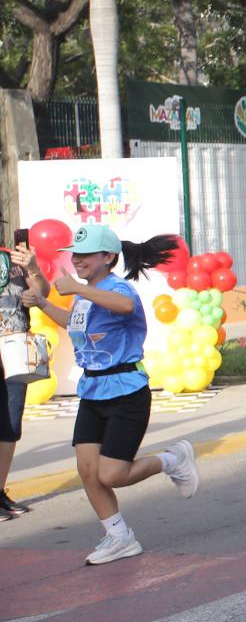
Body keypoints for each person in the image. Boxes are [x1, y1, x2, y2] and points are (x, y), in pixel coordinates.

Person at [21, 225, 199, 564]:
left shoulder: (118, 288)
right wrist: (43, 301)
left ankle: (172, 460)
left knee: (112, 475)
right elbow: (73, 322)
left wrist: (77, 288)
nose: (78, 260)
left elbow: (122, 306)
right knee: (88, 471)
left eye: (85, 255)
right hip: (92, 391)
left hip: (126, 392)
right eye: (76, 254)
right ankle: (119, 536)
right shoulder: (83, 294)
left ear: (108, 257)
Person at [1, 238, 50, 520]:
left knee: (9, 425)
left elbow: (42, 293)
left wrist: (33, 269)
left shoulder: (14, 261)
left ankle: (0, 489)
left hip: (16, 352)